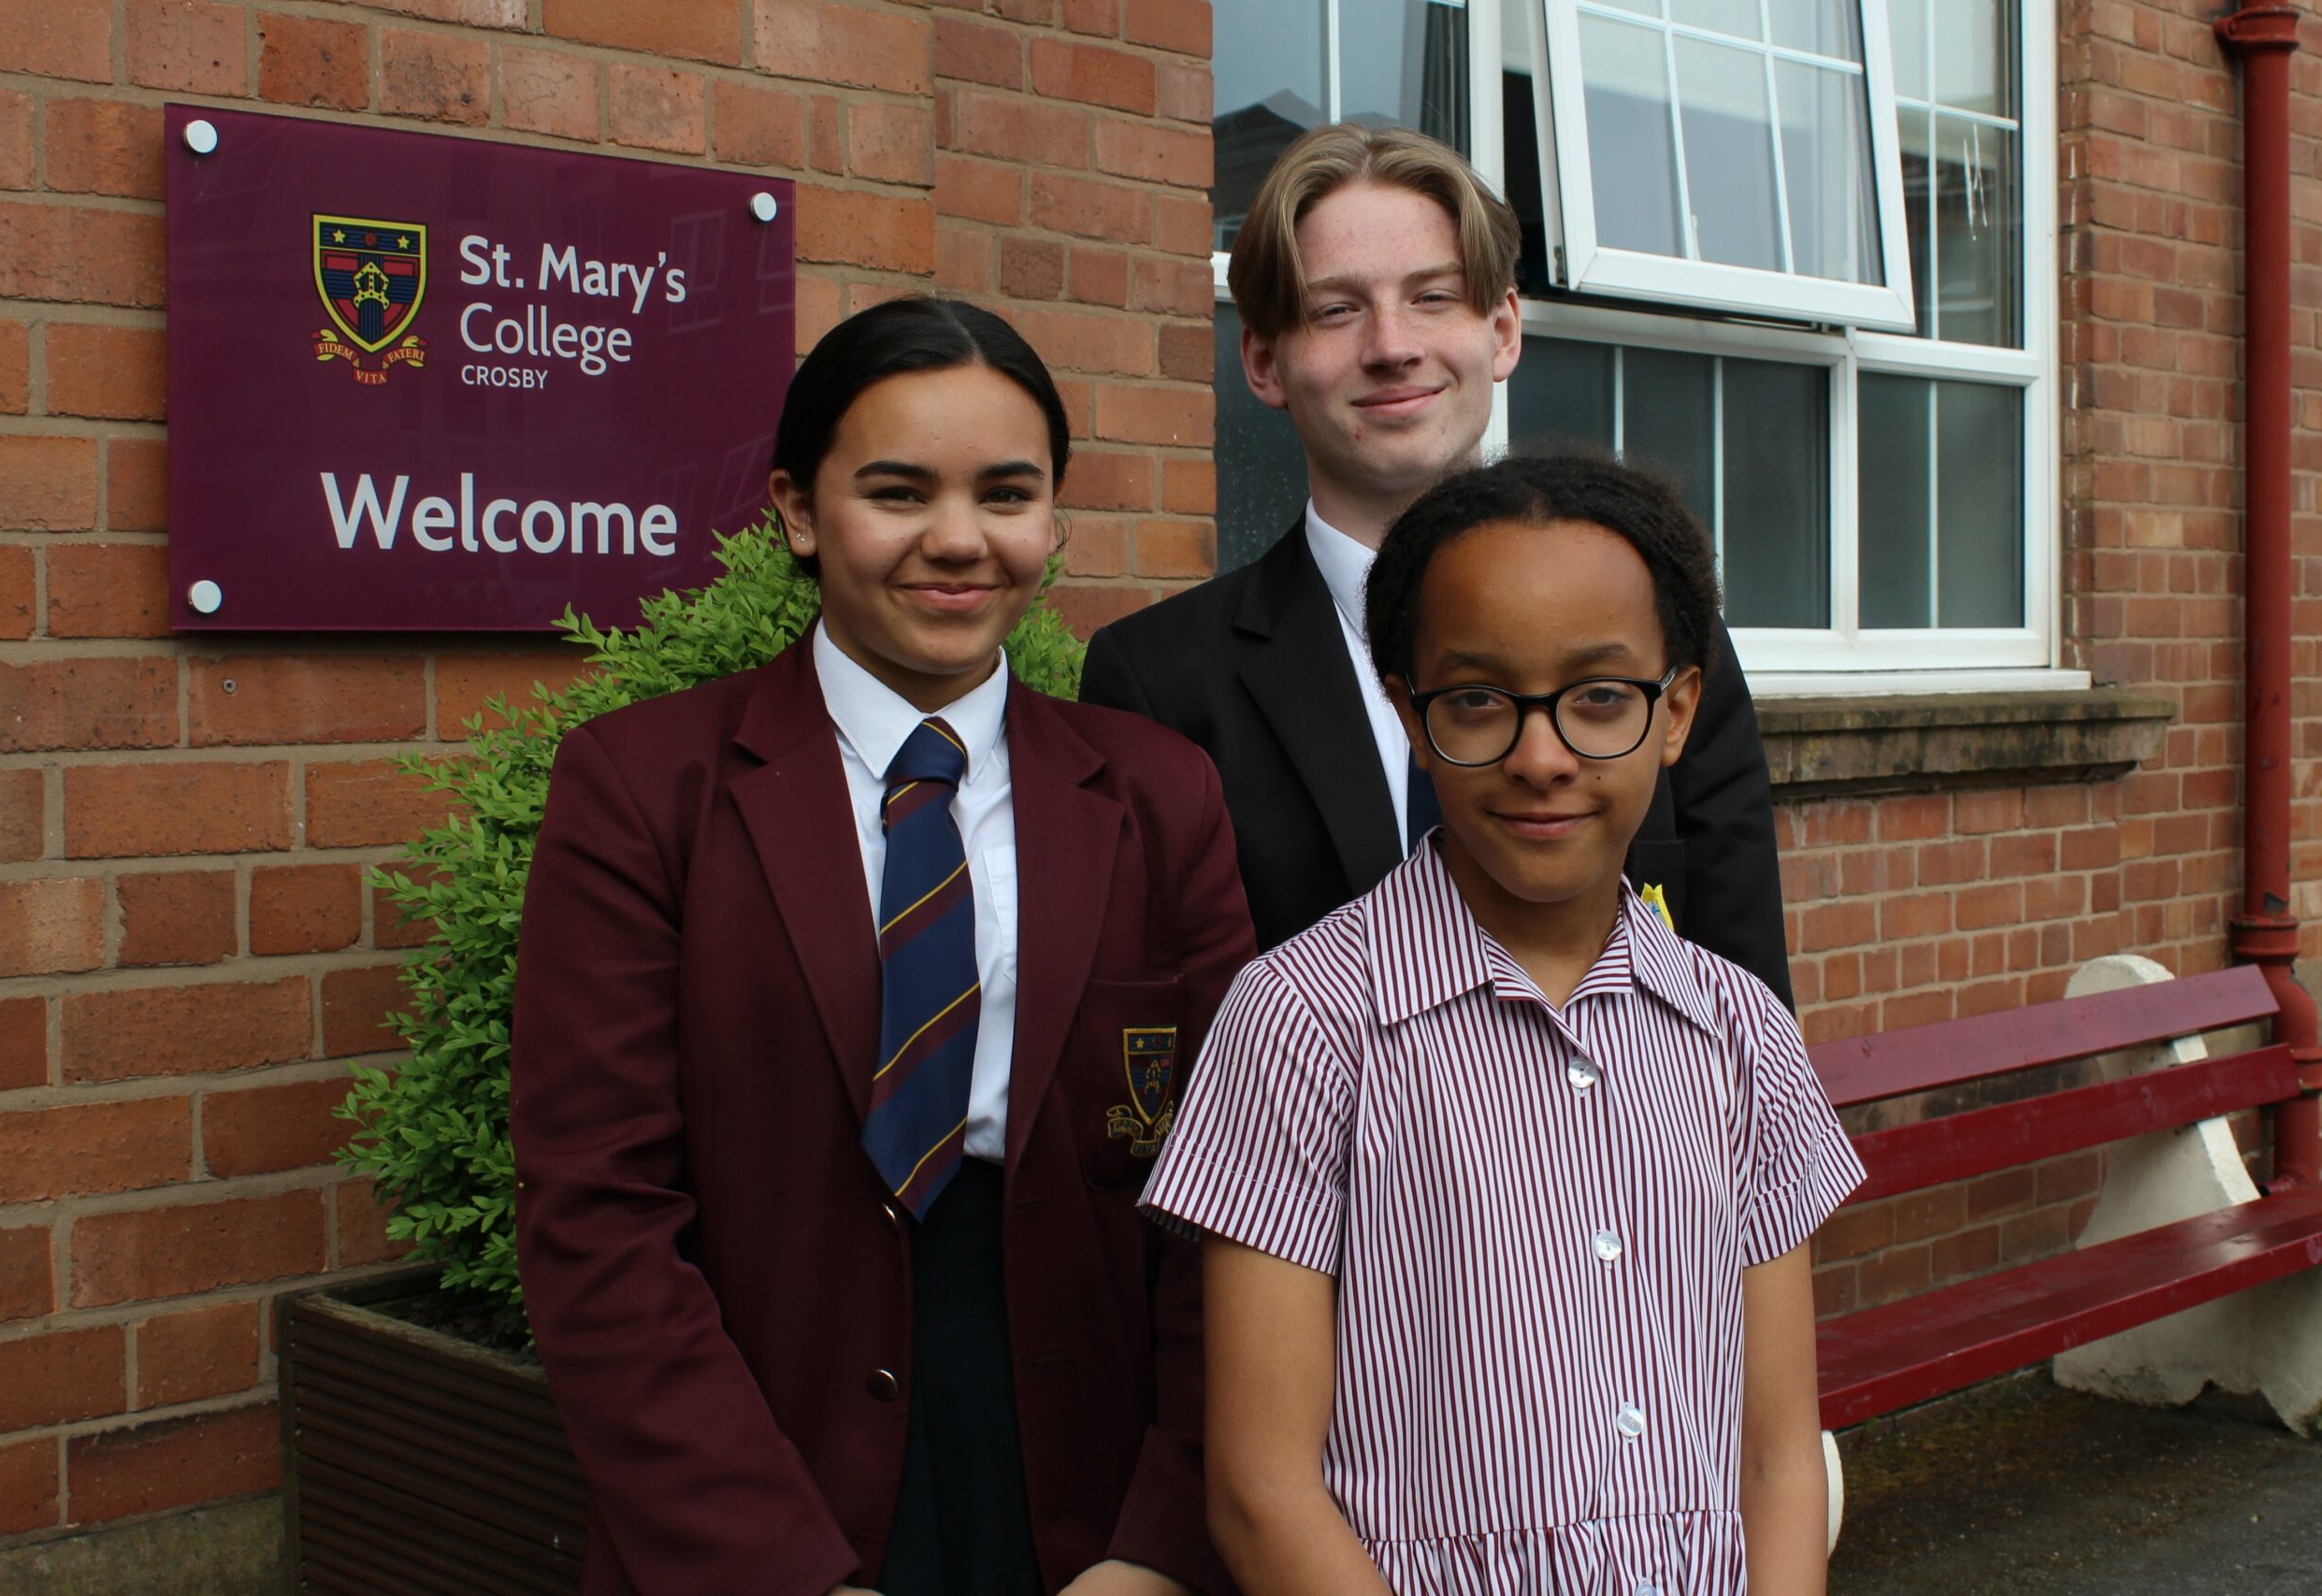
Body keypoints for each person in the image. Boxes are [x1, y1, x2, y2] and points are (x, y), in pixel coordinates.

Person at [510, 296, 1255, 1596]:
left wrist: (1164, 1527)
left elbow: (1239, 1195)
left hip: (1082, 1454)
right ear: (800, 511)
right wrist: (766, 1560)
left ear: (1056, 518)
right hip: (765, 1444)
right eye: (898, 491)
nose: (958, 540)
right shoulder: (644, 788)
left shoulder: (1158, 793)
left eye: (1008, 493)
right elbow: (597, 1213)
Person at [1141, 453, 1863, 1595]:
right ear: (1405, 710)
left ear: (1675, 711)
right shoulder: (1300, 1025)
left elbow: (1777, 1460)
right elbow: (1258, 1486)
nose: (1540, 757)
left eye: (1598, 699)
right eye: (1477, 700)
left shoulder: (1738, 1033)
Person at [1078, 123, 1792, 1003]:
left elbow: (1746, 1013)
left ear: (1501, 330)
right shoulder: (1156, 682)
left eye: (1433, 297)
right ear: (1264, 360)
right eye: (1336, 309)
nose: (1391, 344)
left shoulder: (1660, 636)